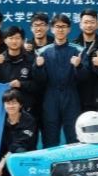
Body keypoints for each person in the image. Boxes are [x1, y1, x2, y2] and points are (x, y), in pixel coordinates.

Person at [33, 14, 86, 146]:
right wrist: (38, 67)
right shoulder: (43, 52)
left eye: (64, 26)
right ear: (52, 29)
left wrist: (79, 66)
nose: (60, 29)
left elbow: (85, 78)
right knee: (50, 137)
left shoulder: (78, 50)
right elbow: (39, 81)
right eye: (57, 26)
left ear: (69, 29)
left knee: (74, 137)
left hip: (71, 96)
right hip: (50, 97)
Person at [0, 89, 39, 176]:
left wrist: (2, 162)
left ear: (20, 105)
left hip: (20, 154)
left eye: (14, 103)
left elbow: (18, 144)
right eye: (7, 103)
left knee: (20, 152)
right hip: (3, 154)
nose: (11, 106)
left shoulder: (29, 120)